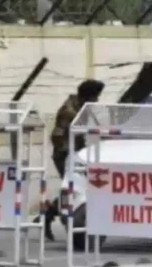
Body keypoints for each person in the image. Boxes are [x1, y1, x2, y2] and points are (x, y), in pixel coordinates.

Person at [42, 79, 105, 241]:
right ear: (87, 96)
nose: (97, 100)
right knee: (73, 189)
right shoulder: (69, 111)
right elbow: (57, 136)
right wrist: (70, 154)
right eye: (95, 96)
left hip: (75, 155)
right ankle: (51, 213)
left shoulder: (82, 108)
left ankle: (49, 213)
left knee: (74, 189)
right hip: (65, 156)